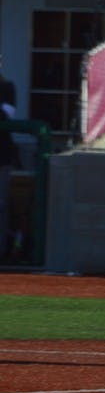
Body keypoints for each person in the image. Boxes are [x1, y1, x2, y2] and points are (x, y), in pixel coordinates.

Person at [0, 57, 16, 258]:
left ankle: (1, 250)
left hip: (2, 156)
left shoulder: (7, 87)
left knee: (0, 205)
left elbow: (7, 115)